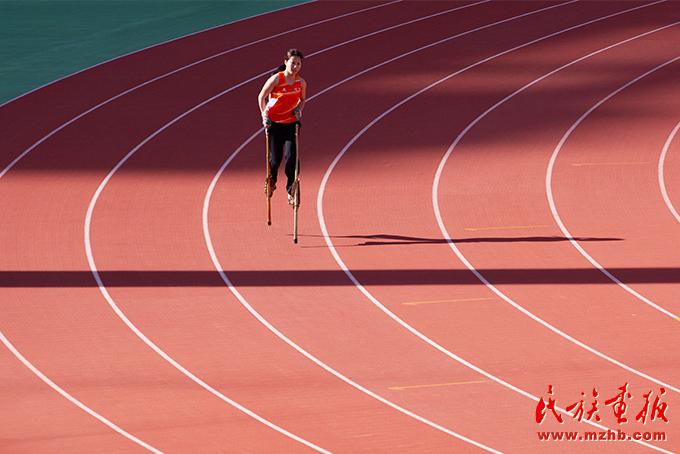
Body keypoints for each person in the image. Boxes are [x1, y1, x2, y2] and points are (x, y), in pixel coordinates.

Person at [258, 49, 306, 205]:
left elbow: (303, 100)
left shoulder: (301, 83)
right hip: (275, 125)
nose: (295, 66)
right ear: (286, 62)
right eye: (293, 63)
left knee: (292, 157)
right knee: (275, 160)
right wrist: (264, 115)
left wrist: (299, 110)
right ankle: (271, 180)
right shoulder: (276, 80)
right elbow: (261, 96)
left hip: (291, 124)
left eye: (298, 64)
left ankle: (292, 190)